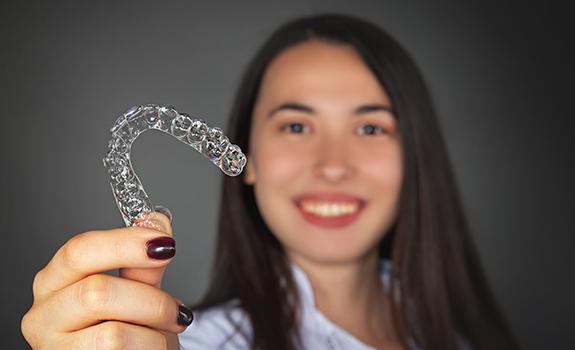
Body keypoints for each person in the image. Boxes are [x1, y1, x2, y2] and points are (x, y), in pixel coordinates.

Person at [21, 13, 520, 350]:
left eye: (370, 127)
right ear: (248, 157)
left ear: (415, 156)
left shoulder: (459, 334)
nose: (332, 164)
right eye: (296, 126)